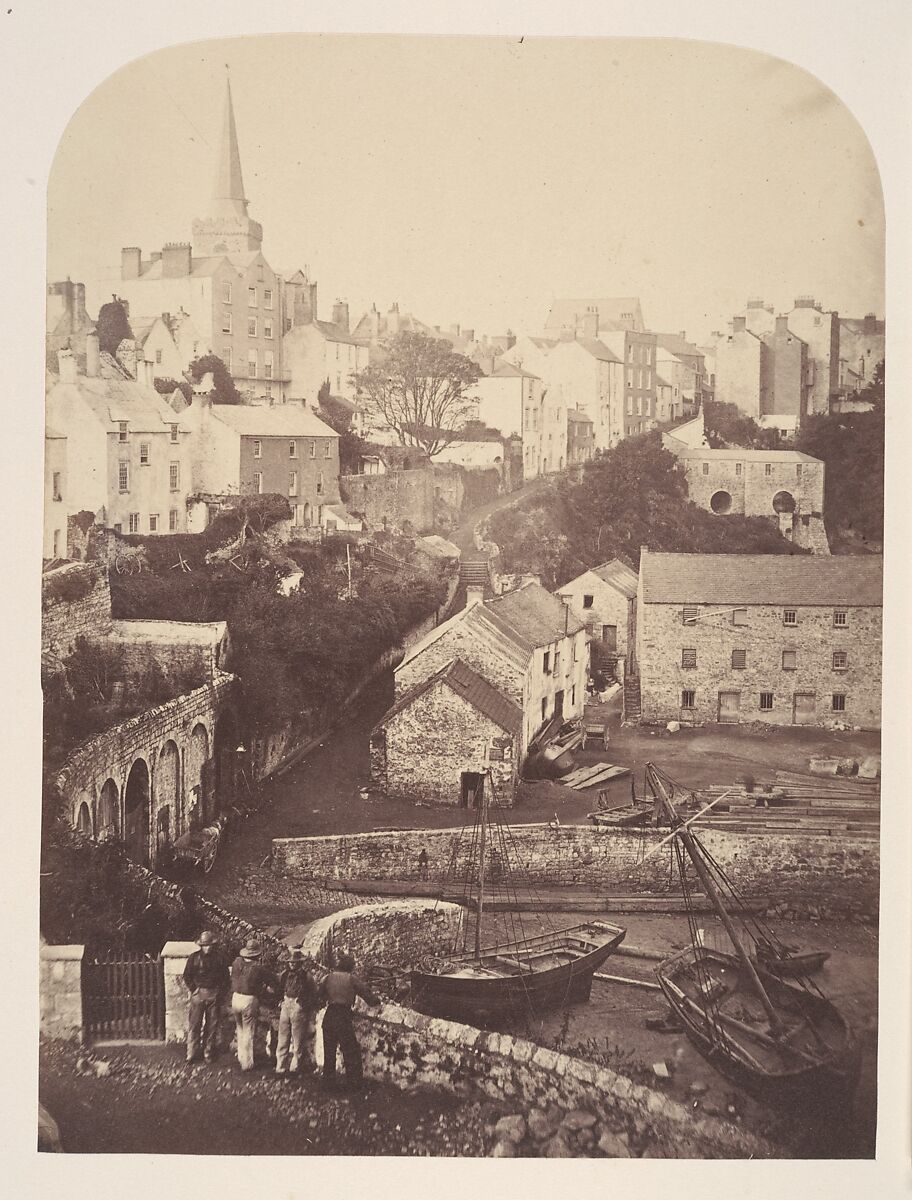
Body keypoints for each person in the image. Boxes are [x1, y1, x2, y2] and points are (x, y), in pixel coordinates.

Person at [320, 951, 381, 1091]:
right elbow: (368, 996)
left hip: (329, 1016)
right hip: (342, 1016)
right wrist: (377, 1001)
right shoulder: (351, 979)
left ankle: (328, 1083)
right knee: (350, 1051)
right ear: (350, 967)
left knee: (329, 1052)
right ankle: (354, 1084)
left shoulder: (328, 977)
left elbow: (320, 995)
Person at [230, 938, 278, 1071]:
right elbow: (273, 981)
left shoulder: (236, 962)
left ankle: (241, 1057)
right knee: (248, 1032)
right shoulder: (258, 968)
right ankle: (247, 1063)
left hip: (235, 998)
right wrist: (267, 990)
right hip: (248, 1000)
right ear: (257, 954)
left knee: (239, 1029)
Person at [183, 930, 229, 1064]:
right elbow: (187, 975)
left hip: (213, 994)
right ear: (201, 946)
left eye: (209, 945)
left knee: (212, 1025)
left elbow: (225, 978)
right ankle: (191, 1053)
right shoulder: (193, 958)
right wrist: (194, 989)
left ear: (213, 945)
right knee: (194, 1024)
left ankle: (208, 1052)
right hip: (198, 994)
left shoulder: (220, 958)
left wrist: (220, 993)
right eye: (204, 945)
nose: (207, 947)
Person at [275, 947, 317, 1076]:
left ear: (300, 963)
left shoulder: (307, 976)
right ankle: (280, 1065)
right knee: (283, 1036)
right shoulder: (284, 974)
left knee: (297, 1038)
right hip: (286, 1004)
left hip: (298, 1006)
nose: (292, 964)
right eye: (290, 962)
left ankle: (295, 1066)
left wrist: (303, 1004)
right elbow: (279, 988)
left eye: (294, 962)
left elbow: (313, 993)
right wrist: (280, 1001)